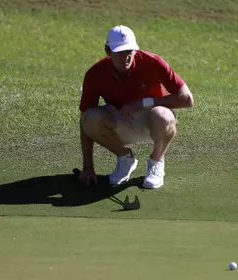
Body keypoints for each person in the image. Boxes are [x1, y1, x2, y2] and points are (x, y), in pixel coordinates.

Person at [78, 25, 193, 189]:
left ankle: (156, 161)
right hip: (120, 124)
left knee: (163, 116)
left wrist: (143, 103)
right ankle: (125, 158)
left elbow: (187, 99)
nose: (125, 57)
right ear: (108, 51)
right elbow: (84, 120)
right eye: (119, 52)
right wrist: (88, 167)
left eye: (129, 51)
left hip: (152, 124)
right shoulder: (95, 74)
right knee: (90, 118)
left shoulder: (153, 62)